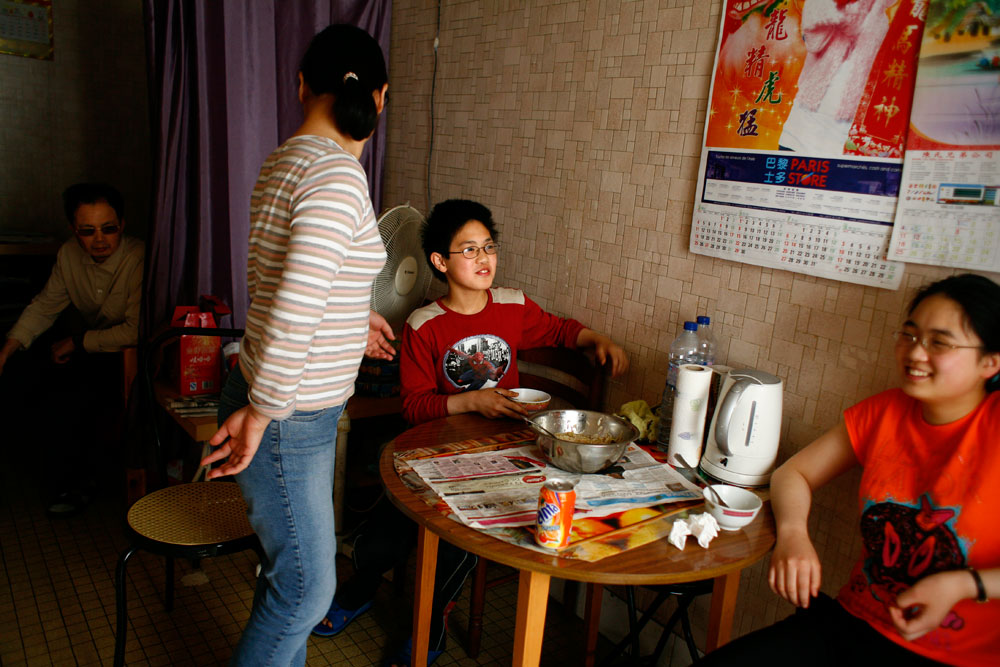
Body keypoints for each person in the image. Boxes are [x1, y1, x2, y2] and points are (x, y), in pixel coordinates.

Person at [311, 198, 629, 666]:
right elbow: (415, 406)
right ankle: (361, 586)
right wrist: (471, 400)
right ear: (440, 262)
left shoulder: (513, 305)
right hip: (436, 449)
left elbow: (562, 331)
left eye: (489, 247)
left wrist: (596, 339)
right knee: (396, 519)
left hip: (505, 449)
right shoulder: (423, 324)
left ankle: (431, 625)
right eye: (469, 250)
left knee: (462, 534)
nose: (484, 259)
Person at [200, 24, 396, 667]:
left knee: (293, 584)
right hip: (287, 416)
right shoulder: (338, 176)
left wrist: (356, 316)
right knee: (308, 591)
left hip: (282, 405)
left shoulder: (286, 161)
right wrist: (263, 411)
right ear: (380, 96)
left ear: (301, 85)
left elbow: (301, 274)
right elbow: (294, 303)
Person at [695, 273, 1000, 666]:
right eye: (909, 336)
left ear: (990, 362)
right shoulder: (885, 412)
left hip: (957, 658)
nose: (915, 353)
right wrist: (792, 535)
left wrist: (963, 583)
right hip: (855, 623)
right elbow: (794, 474)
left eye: (939, 343)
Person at [0, 182, 144, 516]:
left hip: (130, 355)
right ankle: (63, 478)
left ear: (122, 225)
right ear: (73, 230)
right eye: (87, 230)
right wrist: (7, 349)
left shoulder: (137, 257)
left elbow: (135, 331)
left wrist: (78, 342)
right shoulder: (68, 254)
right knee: (32, 372)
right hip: (92, 348)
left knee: (77, 391)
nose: (99, 239)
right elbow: (45, 306)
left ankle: (82, 481)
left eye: (109, 229)